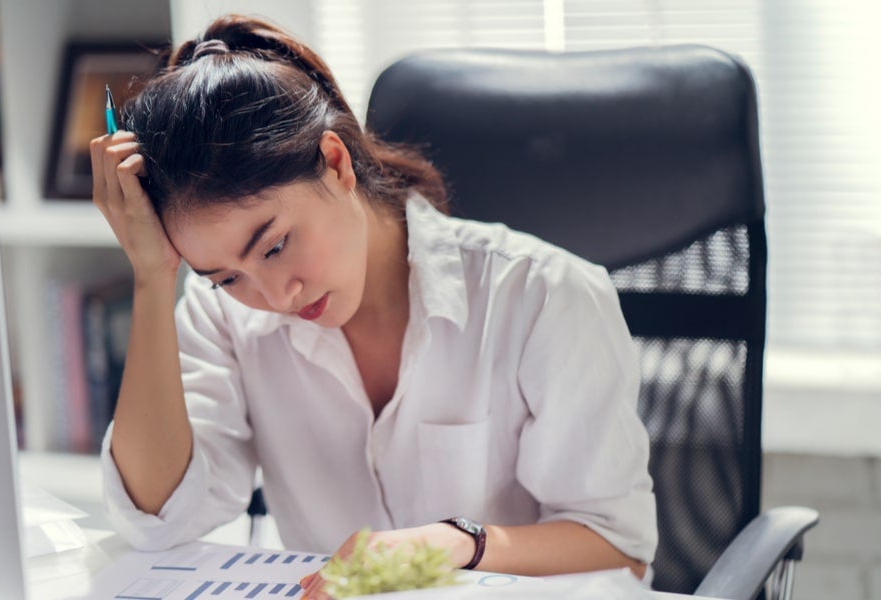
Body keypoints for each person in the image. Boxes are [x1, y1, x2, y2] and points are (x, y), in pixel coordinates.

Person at [90, 14, 657, 598]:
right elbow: (157, 520)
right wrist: (152, 279)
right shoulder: (229, 316)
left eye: (277, 245)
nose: (275, 297)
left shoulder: (543, 295)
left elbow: (620, 550)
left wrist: (454, 542)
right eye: (226, 276)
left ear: (335, 164)